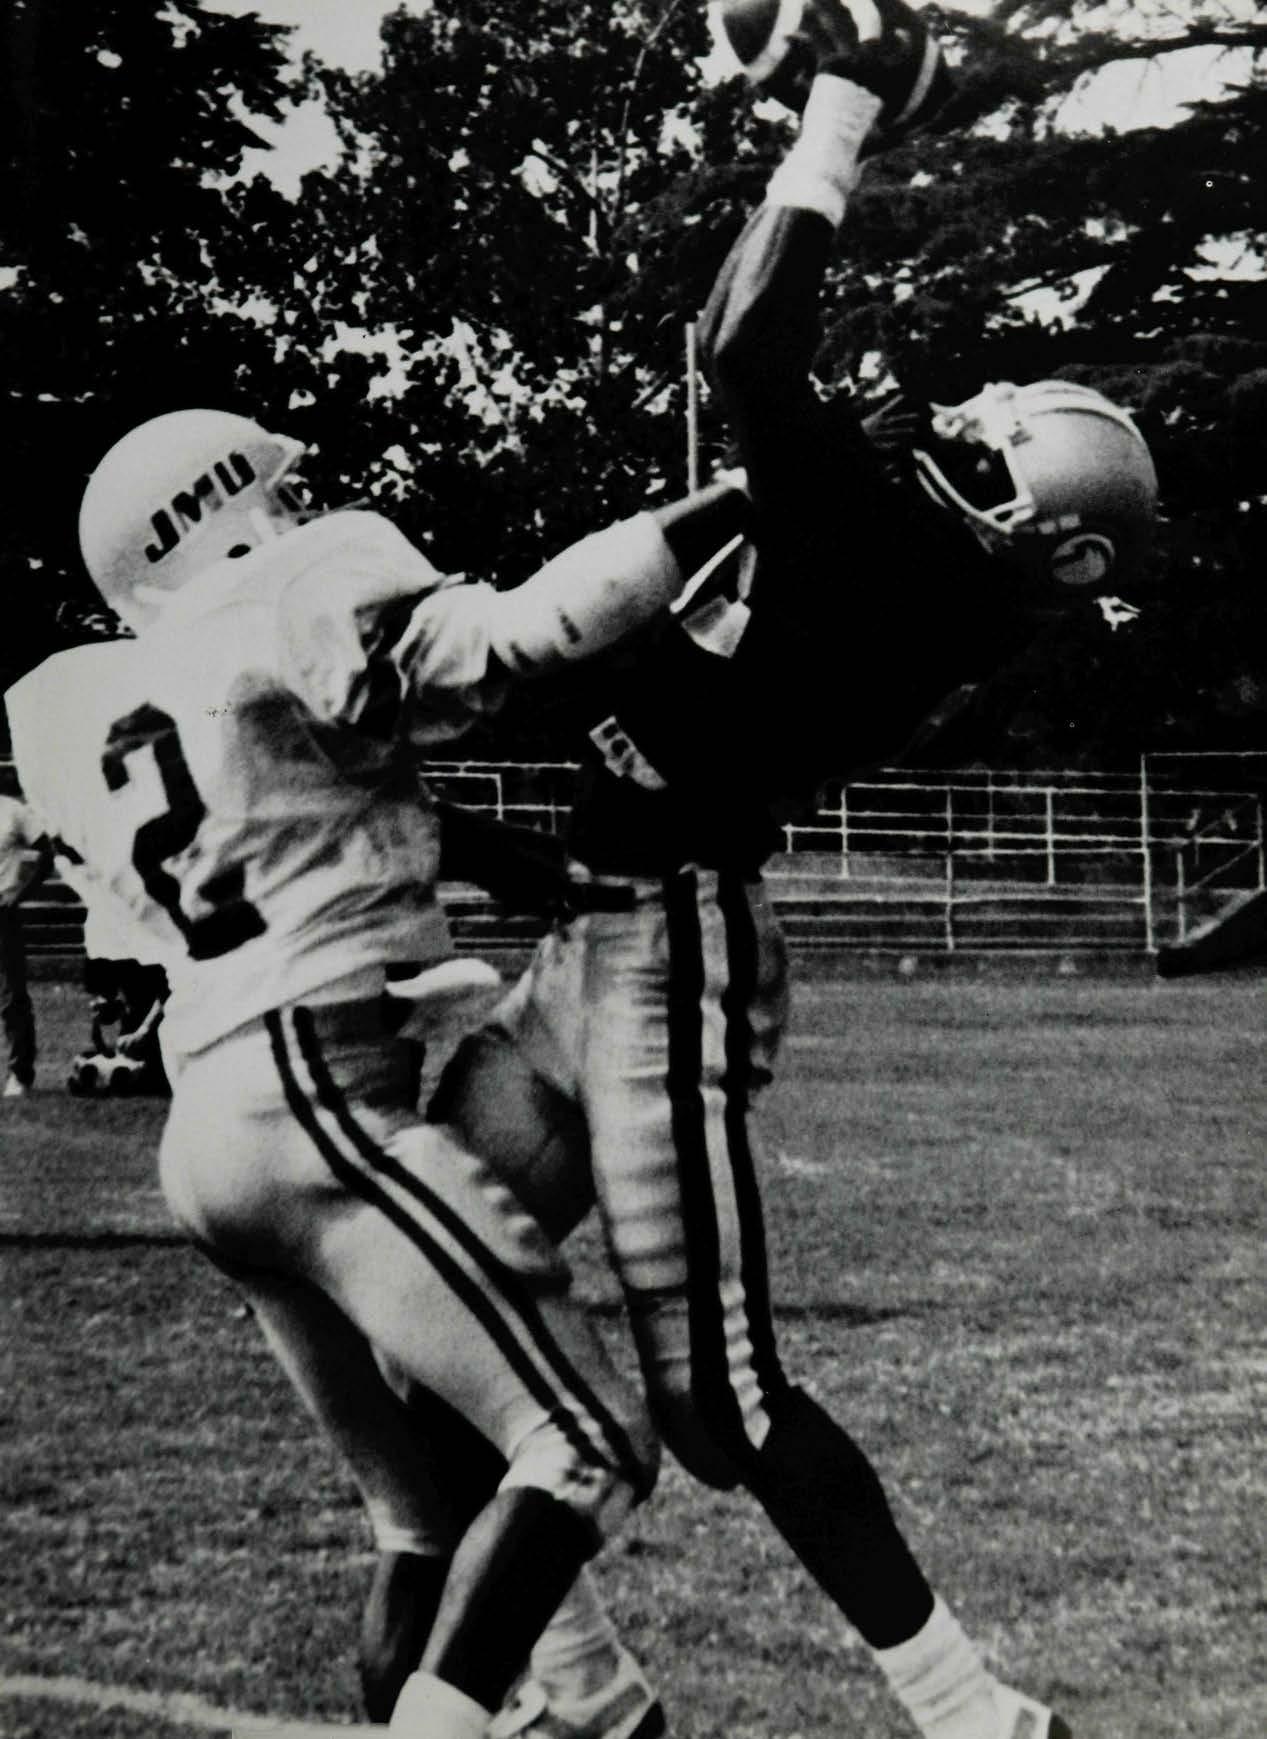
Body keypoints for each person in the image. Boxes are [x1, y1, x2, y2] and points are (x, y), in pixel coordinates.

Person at [347, 1, 1159, 1735]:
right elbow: (622, 766)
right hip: (588, 940)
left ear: (1037, 520)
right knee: (434, 1345)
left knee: (714, 1399)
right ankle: (569, 1695)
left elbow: (740, 350)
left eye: (986, 440)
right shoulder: (895, 548)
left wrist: (839, 110)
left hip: (669, 957)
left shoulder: (912, 566)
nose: (948, 426)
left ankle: (972, 1709)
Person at [4, 405, 750, 1739]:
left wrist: (504, 860)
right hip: (311, 1090)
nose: (300, 509)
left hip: (207, 1133)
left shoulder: (100, 693)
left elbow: (299, 807)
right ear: (219, 512)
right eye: (274, 494)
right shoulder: (289, 591)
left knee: (415, 1523)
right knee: (588, 1442)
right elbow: (523, 632)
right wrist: (739, 496)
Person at [0, 788, 54, 1098]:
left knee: (12, 995)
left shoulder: (12, 811)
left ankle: (20, 1073)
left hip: (2, 913)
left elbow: (48, 853)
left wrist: (20, 895)